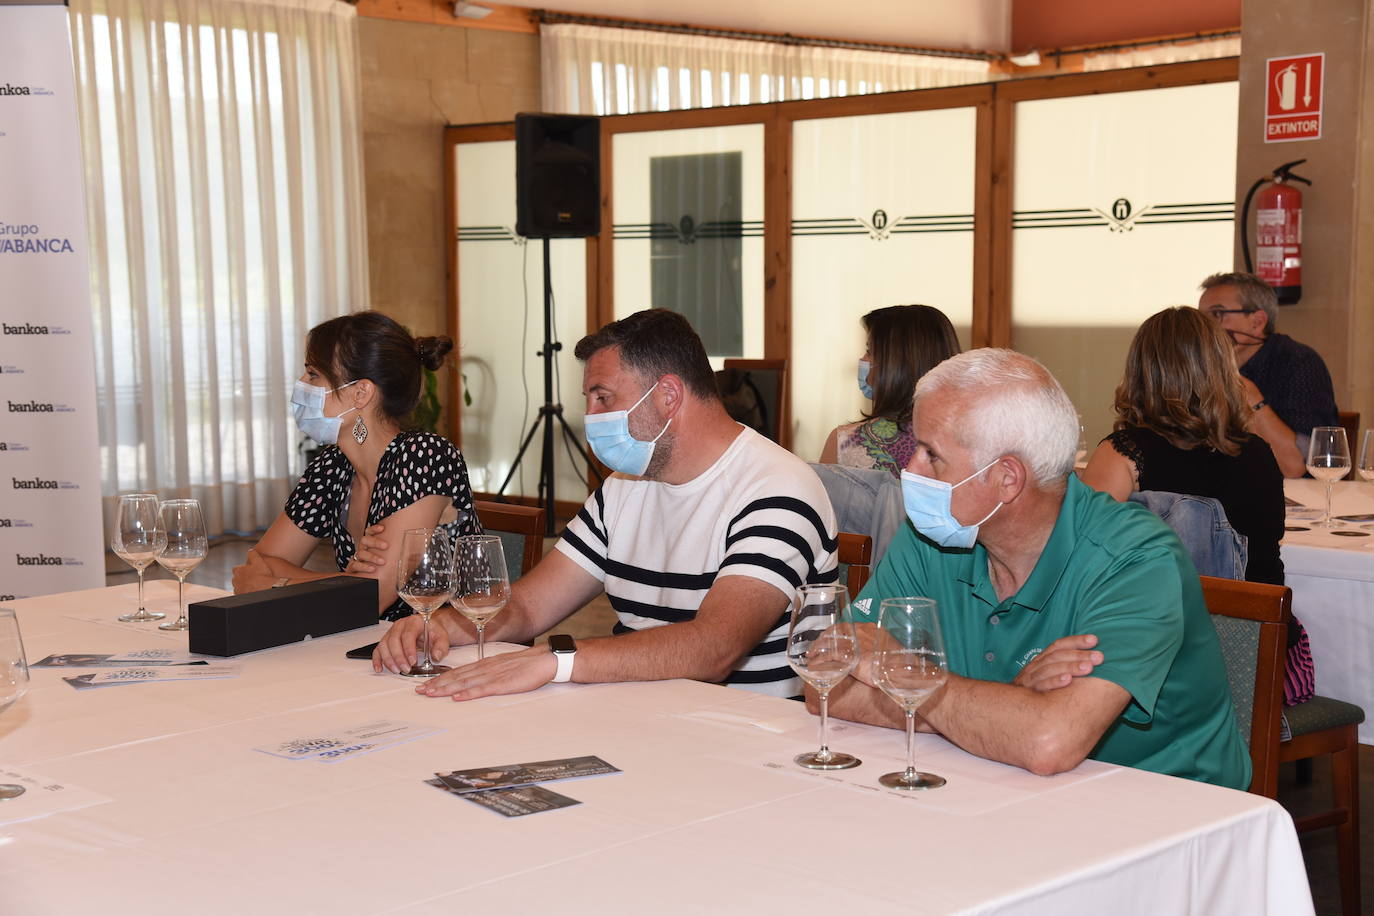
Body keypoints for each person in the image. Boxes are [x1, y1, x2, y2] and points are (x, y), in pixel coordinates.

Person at [823, 348, 1251, 789]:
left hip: (1166, 809)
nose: (909, 468)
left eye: (931, 454)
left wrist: (909, 679)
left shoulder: (1137, 559)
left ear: (1007, 478)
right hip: (997, 785)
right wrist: (1011, 703)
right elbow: (829, 682)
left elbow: (1048, 742)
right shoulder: (933, 534)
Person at [366, 308, 838, 700]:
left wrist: (559, 660)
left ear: (669, 395)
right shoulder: (624, 486)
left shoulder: (777, 488)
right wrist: (443, 626)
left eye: (603, 397)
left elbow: (715, 648)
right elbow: (530, 608)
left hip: (741, 735)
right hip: (633, 713)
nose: (590, 418)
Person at [1082, 306, 1314, 704]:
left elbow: (1080, 558)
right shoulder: (1259, 453)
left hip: (1176, 667)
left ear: (1141, 370)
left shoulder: (1125, 453)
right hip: (1269, 660)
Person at [231, 311, 480, 618]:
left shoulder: (425, 457)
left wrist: (276, 584)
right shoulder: (332, 466)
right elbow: (258, 563)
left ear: (361, 392)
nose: (300, 385)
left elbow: (373, 597)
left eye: (313, 375)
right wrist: (346, 583)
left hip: (444, 650)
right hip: (367, 645)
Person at [1198, 271, 1339, 477]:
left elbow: (1296, 466)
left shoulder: (1298, 362)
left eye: (1217, 314)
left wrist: (1250, 397)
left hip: (1293, 497)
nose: (1205, 326)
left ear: (1257, 322)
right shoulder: (1198, 367)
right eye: (1200, 317)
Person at [819, 304, 960, 476]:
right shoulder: (970, 440)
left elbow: (823, 501)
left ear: (895, 365)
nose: (863, 359)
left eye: (869, 351)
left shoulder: (846, 442)